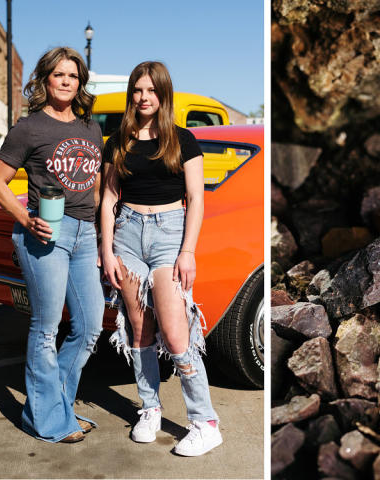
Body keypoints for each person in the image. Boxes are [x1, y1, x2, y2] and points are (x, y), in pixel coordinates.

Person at [99, 61, 221, 456]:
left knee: (175, 331)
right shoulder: (118, 141)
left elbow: (196, 199)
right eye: (137, 90)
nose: (143, 97)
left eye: (151, 90)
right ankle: (149, 409)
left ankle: (205, 422)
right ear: (131, 94)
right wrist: (106, 249)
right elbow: (109, 198)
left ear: (163, 94)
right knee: (139, 330)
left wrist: (188, 251)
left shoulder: (183, 140)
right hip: (128, 235)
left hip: (170, 235)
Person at [0, 47, 104, 444]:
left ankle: (58, 408)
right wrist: (24, 219)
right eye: (59, 75)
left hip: (86, 234)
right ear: (45, 80)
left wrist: (103, 228)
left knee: (89, 327)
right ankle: (47, 421)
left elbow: (96, 184)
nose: (66, 81)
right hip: (46, 233)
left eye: (73, 75)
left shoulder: (91, 128)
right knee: (45, 328)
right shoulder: (28, 128)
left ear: (80, 82)